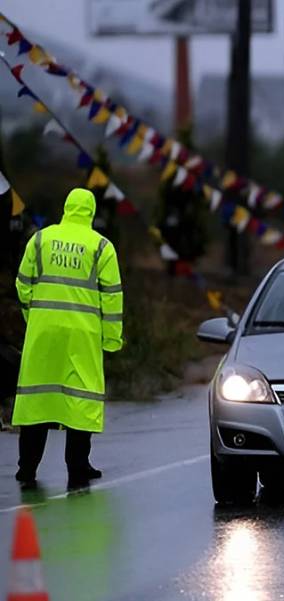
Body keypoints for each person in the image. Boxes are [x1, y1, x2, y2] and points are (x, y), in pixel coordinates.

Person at [13, 188, 123, 490]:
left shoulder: (40, 239)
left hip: (43, 331)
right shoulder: (101, 247)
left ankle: (27, 468)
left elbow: (23, 284)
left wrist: (33, 316)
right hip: (82, 335)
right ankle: (77, 467)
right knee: (80, 398)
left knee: (38, 399)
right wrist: (111, 340)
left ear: (65, 208)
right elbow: (112, 298)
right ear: (90, 212)